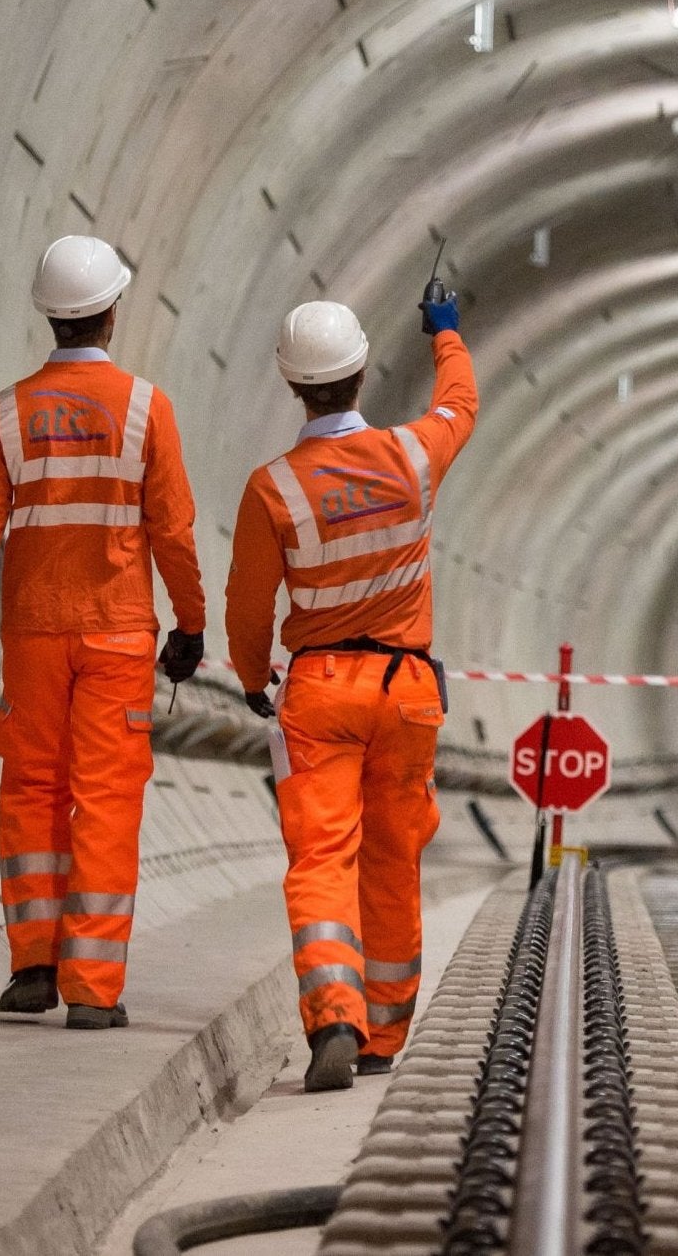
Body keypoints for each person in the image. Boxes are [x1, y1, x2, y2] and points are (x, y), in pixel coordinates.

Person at [0, 235, 208, 1030]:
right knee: (106, 800)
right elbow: (173, 530)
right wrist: (191, 622)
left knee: (31, 791)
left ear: (49, 316)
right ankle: (92, 986)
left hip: (32, 632)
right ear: (112, 312)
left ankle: (32, 965)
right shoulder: (145, 407)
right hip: (118, 633)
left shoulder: (7, 411)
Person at [224, 284, 475, 1091]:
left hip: (320, 689)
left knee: (321, 857)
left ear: (292, 385)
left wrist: (250, 672)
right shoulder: (413, 455)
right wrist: (445, 333)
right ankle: (384, 1033)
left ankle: (335, 1013)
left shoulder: (274, 487)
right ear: (362, 373)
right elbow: (461, 404)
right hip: (406, 691)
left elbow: (248, 600)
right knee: (394, 859)